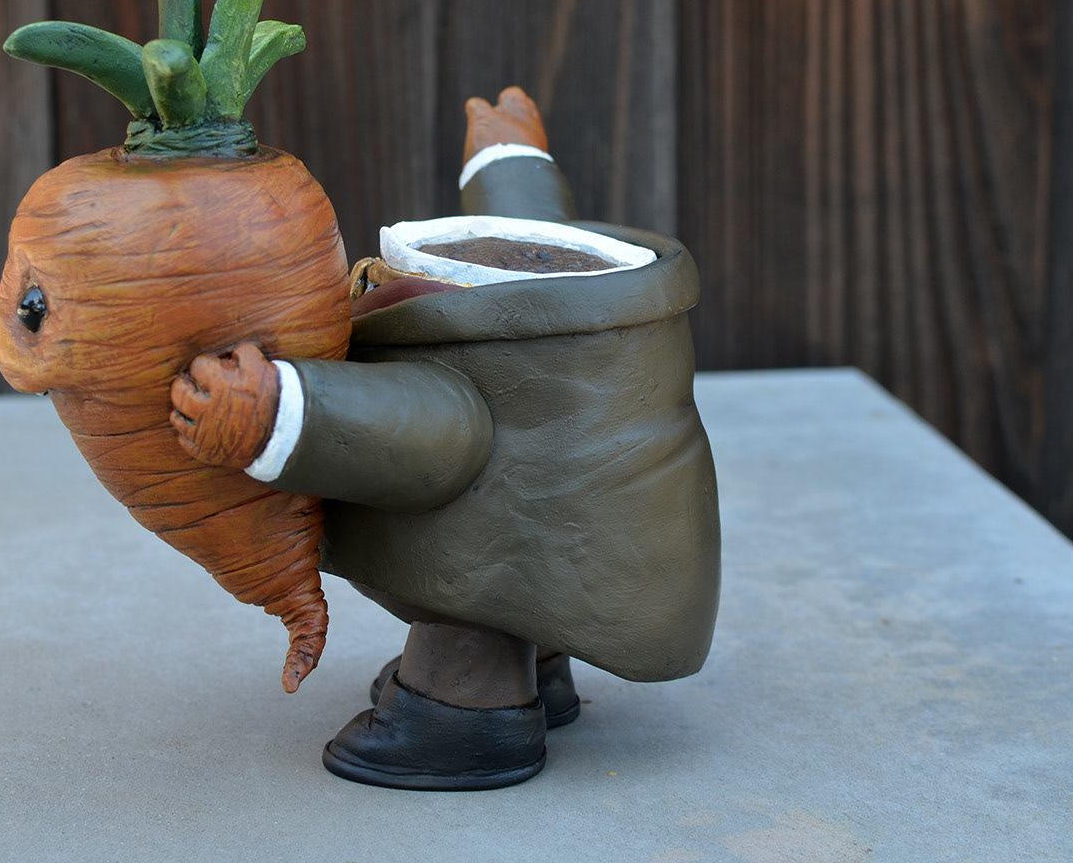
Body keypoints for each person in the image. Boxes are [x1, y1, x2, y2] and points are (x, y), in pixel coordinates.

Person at [170, 88, 721, 790]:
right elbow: (535, 236)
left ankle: (464, 711)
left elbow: (423, 432)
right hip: (616, 534)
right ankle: (541, 661)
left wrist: (278, 410)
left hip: (510, 545)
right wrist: (508, 155)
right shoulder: (598, 316)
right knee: (532, 558)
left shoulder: (474, 361)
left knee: (472, 591)